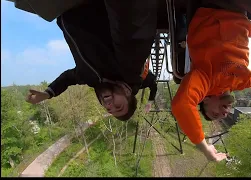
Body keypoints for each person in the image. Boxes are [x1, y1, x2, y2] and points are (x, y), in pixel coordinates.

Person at [25, 0, 157, 121]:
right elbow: (131, 27)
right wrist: (150, 101)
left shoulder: (91, 79)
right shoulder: (129, 67)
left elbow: (68, 78)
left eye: (109, 109)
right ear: (128, 92)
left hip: (64, 9)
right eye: (119, 106)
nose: (110, 105)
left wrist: (47, 94)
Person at [171, 3, 251, 162]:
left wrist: (205, 149)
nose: (224, 114)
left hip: (216, 6)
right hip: (242, 10)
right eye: (222, 116)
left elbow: (181, 105)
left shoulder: (205, 79)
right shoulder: (239, 82)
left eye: (215, 113)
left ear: (205, 98)